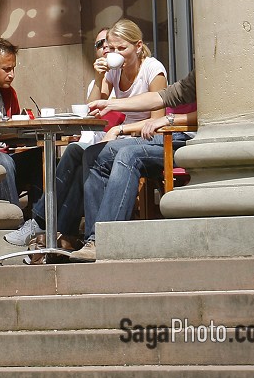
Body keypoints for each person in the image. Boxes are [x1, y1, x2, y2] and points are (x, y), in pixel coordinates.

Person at [68, 65, 197, 261]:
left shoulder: (154, 68)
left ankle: (105, 241)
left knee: (128, 155)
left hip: (187, 139)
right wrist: (112, 104)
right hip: (165, 134)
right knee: (94, 154)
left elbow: (213, 114)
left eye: (120, 47)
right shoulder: (201, 73)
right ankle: (91, 240)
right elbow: (161, 97)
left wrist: (169, 119)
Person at [4, 26, 111, 249]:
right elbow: (91, 110)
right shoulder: (101, 80)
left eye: (111, 44)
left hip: (115, 144)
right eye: (99, 45)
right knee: (73, 154)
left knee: (80, 158)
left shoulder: (146, 71)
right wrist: (100, 77)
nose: (106, 49)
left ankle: (45, 226)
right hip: (94, 144)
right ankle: (54, 231)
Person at [0, 38, 40, 207]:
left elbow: (14, 128)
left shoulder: (9, 93)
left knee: (42, 158)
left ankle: (39, 221)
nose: (12, 75)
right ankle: (13, 222)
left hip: (8, 153)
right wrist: (2, 121)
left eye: (13, 68)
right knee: (3, 161)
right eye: (7, 69)